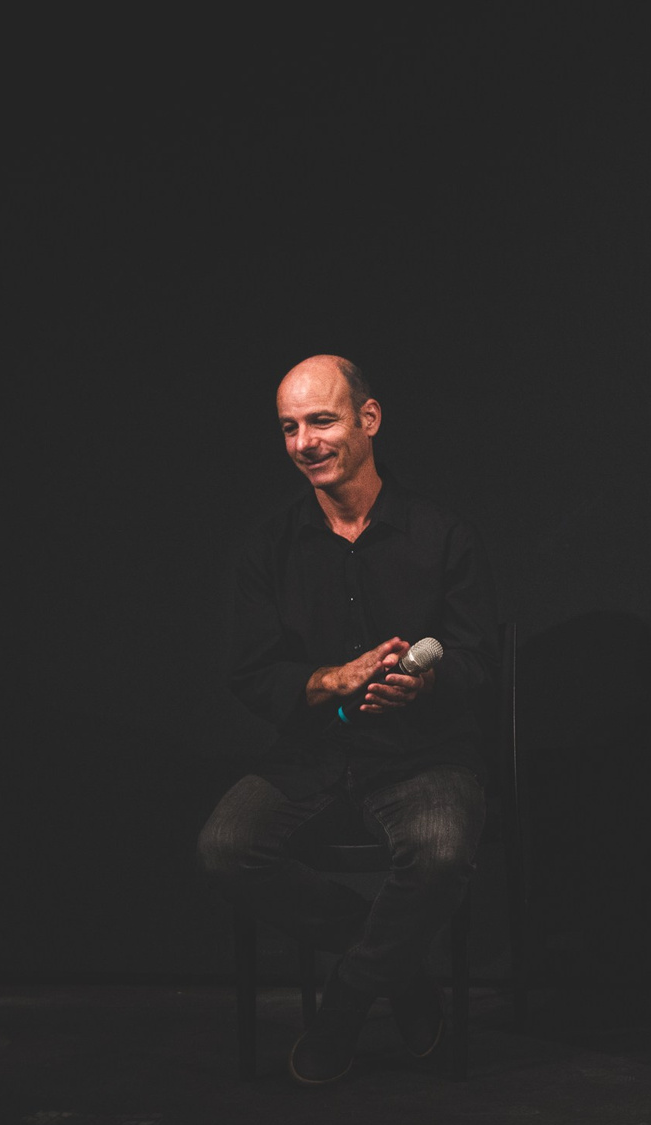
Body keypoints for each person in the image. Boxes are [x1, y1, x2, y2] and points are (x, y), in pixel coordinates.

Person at [197, 355, 496, 1085]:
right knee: (226, 849)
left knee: (440, 854)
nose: (305, 443)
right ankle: (401, 974)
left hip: (423, 754)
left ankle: (347, 1003)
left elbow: (479, 661)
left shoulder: (442, 535)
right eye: (289, 428)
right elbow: (250, 673)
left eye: (321, 421)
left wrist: (425, 685)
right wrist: (328, 680)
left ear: (368, 419)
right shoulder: (268, 548)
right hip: (314, 753)